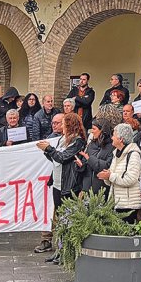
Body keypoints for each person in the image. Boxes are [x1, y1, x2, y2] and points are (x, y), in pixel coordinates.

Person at [38, 112, 86, 264]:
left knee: (68, 219)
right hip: (58, 183)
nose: (61, 127)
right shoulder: (61, 139)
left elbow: (63, 157)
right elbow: (54, 158)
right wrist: (46, 150)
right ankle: (59, 250)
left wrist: (49, 149)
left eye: (64, 124)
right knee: (59, 219)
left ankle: (66, 251)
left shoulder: (77, 142)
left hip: (68, 184)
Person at [34, 113, 65, 254]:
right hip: (49, 181)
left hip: (63, 182)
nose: (54, 125)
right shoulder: (50, 139)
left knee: (60, 213)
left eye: (58, 123)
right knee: (46, 210)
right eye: (53, 122)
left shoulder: (70, 140)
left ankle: (62, 243)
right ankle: (46, 239)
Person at [100, 123, 141, 223]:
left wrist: (110, 175)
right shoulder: (116, 153)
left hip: (128, 204)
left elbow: (130, 179)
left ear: (121, 139)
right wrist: (107, 177)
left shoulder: (134, 155)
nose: (111, 138)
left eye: (114, 135)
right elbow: (112, 180)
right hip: (116, 202)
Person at [74, 118, 114, 197]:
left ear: (102, 131)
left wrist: (90, 159)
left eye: (94, 129)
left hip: (101, 192)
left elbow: (107, 166)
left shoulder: (112, 147)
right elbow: (86, 165)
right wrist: (81, 165)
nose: (92, 131)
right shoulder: (91, 144)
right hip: (86, 189)